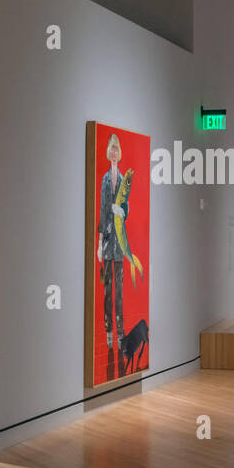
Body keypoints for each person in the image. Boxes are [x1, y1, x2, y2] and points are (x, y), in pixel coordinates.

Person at [97, 133, 127, 370]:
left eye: (117, 148)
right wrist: (99, 244)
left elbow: (125, 206)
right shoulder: (105, 180)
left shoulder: (125, 179)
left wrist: (122, 210)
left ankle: (120, 332)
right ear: (109, 152)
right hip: (107, 241)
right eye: (112, 149)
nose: (114, 152)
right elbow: (101, 213)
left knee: (119, 292)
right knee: (108, 292)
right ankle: (109, 331)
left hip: (120, 241)